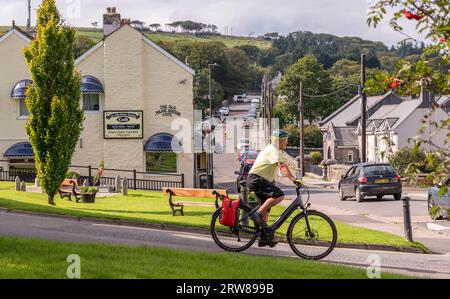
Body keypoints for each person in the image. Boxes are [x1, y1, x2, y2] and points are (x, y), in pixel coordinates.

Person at [246, 130, 302, 247]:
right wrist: (293, 179)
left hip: (259, 180)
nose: (287, 142)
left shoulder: (276, 151)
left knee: (266, 210)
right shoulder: (273, 150)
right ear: (279, 141)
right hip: (256, 180)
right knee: (279, 195)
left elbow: (273, 169)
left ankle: (264, 238)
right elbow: (282, 166)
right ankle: (256, 214)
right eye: (285, 140)